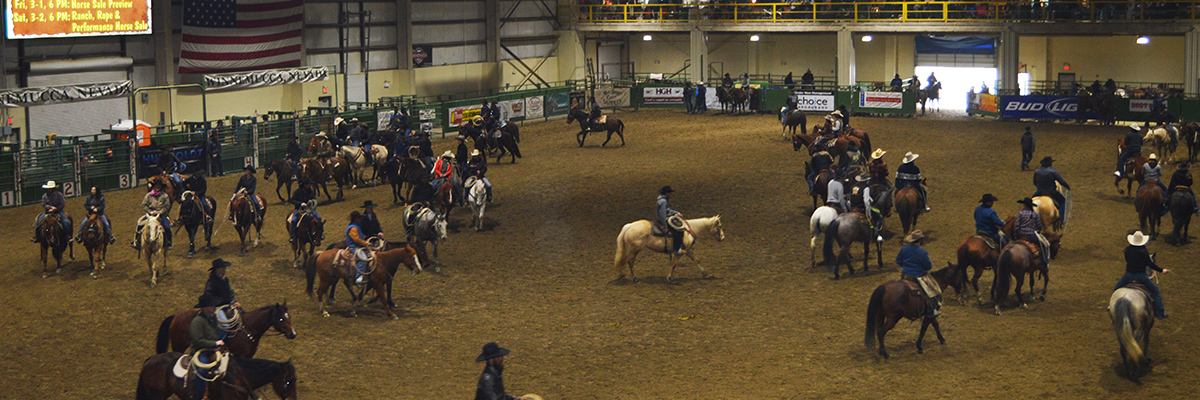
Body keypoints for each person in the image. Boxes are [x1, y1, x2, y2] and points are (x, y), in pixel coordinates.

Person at [1114, 231, 1171, 319]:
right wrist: (1161, 270)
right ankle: (1160, 313)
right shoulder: (1143, 251)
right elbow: (1150, 264)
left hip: (1128, 274)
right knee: (1155, 291)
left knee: (1116, 289)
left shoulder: (1127, 250)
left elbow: (1127, 260)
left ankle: (1111, 307)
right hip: (1140, 275)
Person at [188, 294, 226, 400]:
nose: (215, 307)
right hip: (201, 352)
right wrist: (214, 344)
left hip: (213, 350)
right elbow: (197, 341)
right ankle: (199, 397)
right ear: (206, 308)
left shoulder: (213, 318)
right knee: (202, 371)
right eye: (212, 305)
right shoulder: (197, 322)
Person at [896, 230, 939, 317]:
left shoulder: (904, 249)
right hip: (918, 276)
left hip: (905, 275)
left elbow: (898, 261)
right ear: (920, 240)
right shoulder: (922, 252)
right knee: (930, 291)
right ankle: (931, 310)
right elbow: (928, 266)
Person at [133, 182, 173, 250]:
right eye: (156, 185)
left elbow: (167, 206)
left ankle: (169, 242)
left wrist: (159, 212)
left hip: (161, 215)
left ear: (161, 187)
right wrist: (150, 212)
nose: (157, 187)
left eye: (159, 186)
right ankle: (137, 241)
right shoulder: (148, 195)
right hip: (150, 215)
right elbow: (144, 204)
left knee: (167, 227)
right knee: (140, 224)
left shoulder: (165, 196)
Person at [849, 173, 884, 242]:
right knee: (879, 218)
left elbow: (850, 199)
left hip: (853, 207)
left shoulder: (853, 187)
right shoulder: (866, 188)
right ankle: (875, 236)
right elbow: (866, 201)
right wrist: (869, 213)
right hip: (861, 208)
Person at [1014, 198, 1047, 267]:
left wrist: (1016, 235)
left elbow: (1017, 225)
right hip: (1031, 235)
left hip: (1021, 235)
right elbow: (1039, 226)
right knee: (1043, 245)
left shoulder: (1020, 213)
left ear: (1024, 205)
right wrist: (1039, 230)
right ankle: (1044, 262)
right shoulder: (1034, 214)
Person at [345, 211, 373, 284]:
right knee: (363, 259)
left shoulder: (356, 226)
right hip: (354, 247)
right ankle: (358, 277)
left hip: (359, 246)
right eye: (359, 218)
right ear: (355, 219)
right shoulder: (353, 228)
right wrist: (366, 243)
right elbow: (356, 239)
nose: (360, 219)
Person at [656, 186, 685, 255]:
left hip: (664, 217)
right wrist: (665, 226)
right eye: (670, 193)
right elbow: (663, 214)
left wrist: (676, 213)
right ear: (667, 193)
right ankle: (677, 249)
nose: (671, 194)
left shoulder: (662, 200)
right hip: (665, 219)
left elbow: (667, 210)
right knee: (678, 230)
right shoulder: (663, 201)